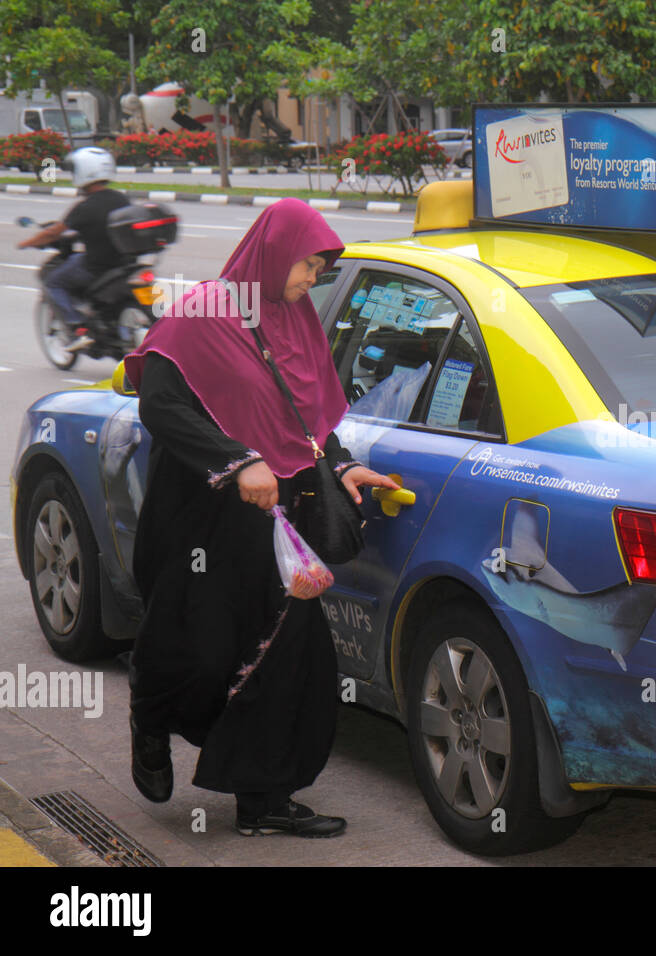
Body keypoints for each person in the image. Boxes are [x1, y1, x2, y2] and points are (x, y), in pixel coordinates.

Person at [123, 198, 398, 837]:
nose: (310, 280)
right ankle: (151, 716)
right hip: (202, 518)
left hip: (281, 521)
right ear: (272, 254)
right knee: (202, 648)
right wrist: (236, 461)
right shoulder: (199, 314)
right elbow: (161, 407)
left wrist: (342, 464)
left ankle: (263, 799)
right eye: (306, 264)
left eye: (319, 269)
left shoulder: (296, 319)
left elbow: (307, 417)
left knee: (286, 656)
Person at [16, 146, 130, 351]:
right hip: (123, 263)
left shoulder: (84, 207)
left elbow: (54, 233)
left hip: (95, 266)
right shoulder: (120, 198)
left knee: (53, 283)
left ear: (84, 172)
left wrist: (27, 243)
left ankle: (78, 328)